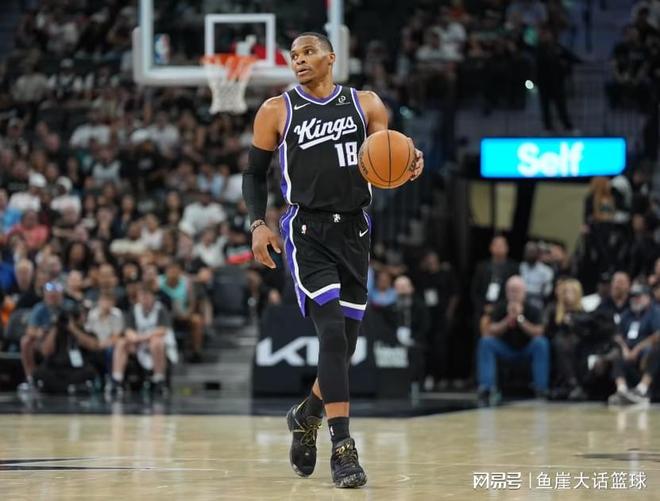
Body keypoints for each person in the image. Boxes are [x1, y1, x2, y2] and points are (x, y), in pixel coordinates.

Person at [243, 32, 423, 488]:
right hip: (306, 230)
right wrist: (258, 224)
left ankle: (307, 415)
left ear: (331, 57)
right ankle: (343, 448)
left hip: (355, 230)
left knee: (345, 345)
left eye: (308, 52)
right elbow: (253, 173)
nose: (299, 60)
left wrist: (409, 159)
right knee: (332, 337)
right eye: (294, 56)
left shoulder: (366, 104)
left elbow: (387, 152)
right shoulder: (277, 110)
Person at [477, 276, 550, 405]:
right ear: (506, 292)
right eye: (511, 290)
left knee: (541, 343)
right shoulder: (500, 307)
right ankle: (487, 388)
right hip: (506, 350)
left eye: (517, 290)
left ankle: (541, 389)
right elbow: (491, 330)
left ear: (524, 292)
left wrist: (520, 319)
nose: (514, 294)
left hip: (526, 349)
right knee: (485, 342)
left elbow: (539, 331)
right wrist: (508, 319)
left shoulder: (533, 308)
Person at [607, 284, 660, 406]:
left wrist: (637, 348)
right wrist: (625, 349)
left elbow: (658, 334)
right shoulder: (627, 314)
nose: (635, 300)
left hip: (646, 350)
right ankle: (621, 390)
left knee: (657, 350)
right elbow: (618, 335)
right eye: (633, 297)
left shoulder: (655, 312)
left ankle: (642, 389)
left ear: (648, 297)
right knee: (616, 353)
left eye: (639, 296)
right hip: (628, 351)